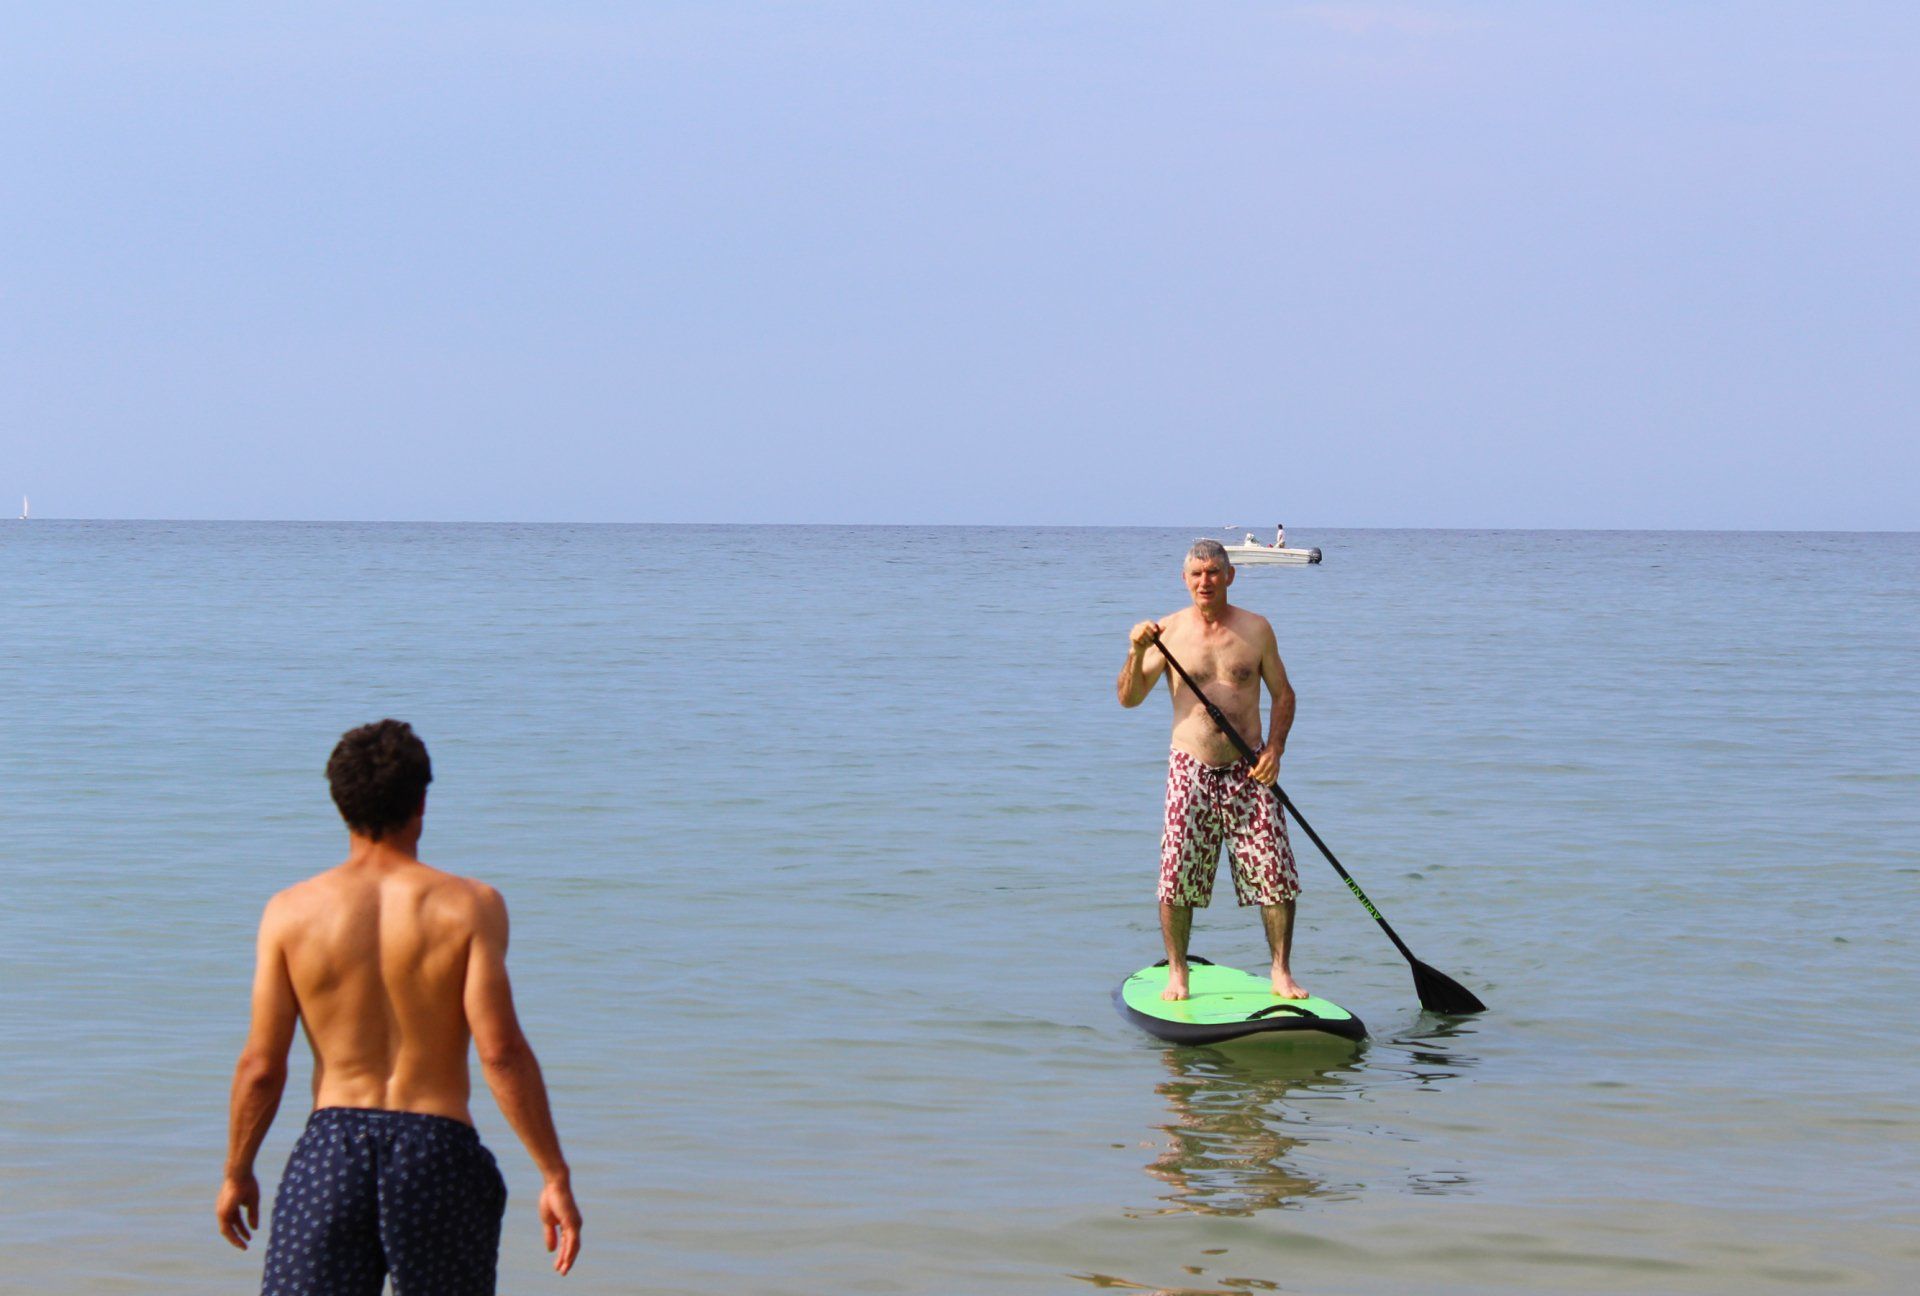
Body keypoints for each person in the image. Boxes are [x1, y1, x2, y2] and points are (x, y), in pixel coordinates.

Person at [215, 719, 582, 1292]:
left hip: (331, 1153)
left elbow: (262, 1065)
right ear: (422, 801)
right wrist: (553, 1174)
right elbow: (501, 1052)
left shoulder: (289, 913)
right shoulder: (471, 906)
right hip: (437, 1150)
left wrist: (238, 1171)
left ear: (339, 803)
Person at [1116, 540, 1305, 1002]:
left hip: (1250, 767)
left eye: (1214, 572)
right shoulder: (1168, 632)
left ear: (1230, 576)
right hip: (1190, 766)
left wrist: (1275, 749)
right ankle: (1177, 974)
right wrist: (1136, 652)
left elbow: (1284, 695)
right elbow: (1128, 697)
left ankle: (1280, 973)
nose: (1206, 581)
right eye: (1197, 574)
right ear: (1185, 580)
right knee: (1177, 874)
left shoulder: (1256, 629)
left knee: (1275, 872)